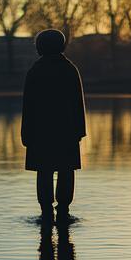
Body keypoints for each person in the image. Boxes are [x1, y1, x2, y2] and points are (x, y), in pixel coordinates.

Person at [21, 29, 86, 224]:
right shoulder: (69, 69)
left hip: (40, 133)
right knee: (66, 171)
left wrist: (26, 134)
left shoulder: (35, 71)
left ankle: (46, 212)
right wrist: (80, 131)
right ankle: (64, 211)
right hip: (67, 131)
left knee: (44, 171)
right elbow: (78, 104)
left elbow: (28, 106)